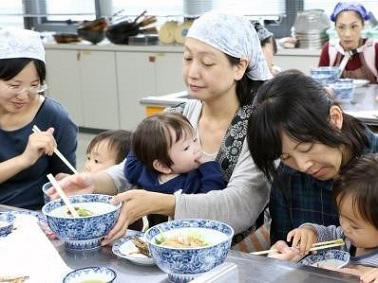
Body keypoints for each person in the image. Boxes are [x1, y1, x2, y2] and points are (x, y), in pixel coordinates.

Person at [51, 11, 272, 249]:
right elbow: (131, 169)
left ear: (239, 67)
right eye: (187, 59)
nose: (193, 73)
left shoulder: (258, 127)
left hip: (238, 256)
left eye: (207, 62)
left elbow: (240, 206)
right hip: (171, 250)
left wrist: (163, 203)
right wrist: (92, 182)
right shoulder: (177, 116)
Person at [247, 71, 378, 245]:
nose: (302, 166)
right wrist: (283, 252)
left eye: (306, 147)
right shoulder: (288, 176)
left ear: (334, 119)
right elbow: (283, 241)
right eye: (285, 156)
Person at [0, 27, 78, 210]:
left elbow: (65, 179)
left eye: (34, 85)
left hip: (36, 216)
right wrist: (24, 160)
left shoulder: (55, 117)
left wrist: (68, 182)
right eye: (14, 85)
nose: (24, 95)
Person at [270, 154, 378, 283]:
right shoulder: (345, 238)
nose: (345, 227)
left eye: (355, 226)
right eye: (342, 216)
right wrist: (310, 233)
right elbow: (328, 234)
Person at [125, 112, 226, 226]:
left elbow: (131, 162)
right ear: (162, 166)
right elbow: (211, 192)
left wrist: (143, 140)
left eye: (195, 140)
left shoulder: (142, 173)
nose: (196, 149)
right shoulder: (191, 181)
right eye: (187, 147)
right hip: (179, 239)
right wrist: (208, 165)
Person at [318, 2, 378, 84]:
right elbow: (320, 87)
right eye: (341, 27)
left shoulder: (374, 49)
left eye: (354, 27)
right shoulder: (329, 49)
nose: (347, 34)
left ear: (363, 26)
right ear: (335, 27)